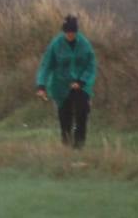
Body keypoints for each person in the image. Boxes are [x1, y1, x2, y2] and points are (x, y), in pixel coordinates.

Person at [36, 14, 97, 149]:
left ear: (76, 31)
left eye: (73, 32)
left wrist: (81, 81)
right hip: (60, 85)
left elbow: (91, 66)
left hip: (82, 86)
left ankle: (79, 145)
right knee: (65, 117)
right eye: (67, 32)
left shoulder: (84, 44)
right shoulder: (56, 44)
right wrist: (41, 85)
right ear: (64, 31)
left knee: (82, 112)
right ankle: (66, 144)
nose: (70, 35)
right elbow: (46, 65)